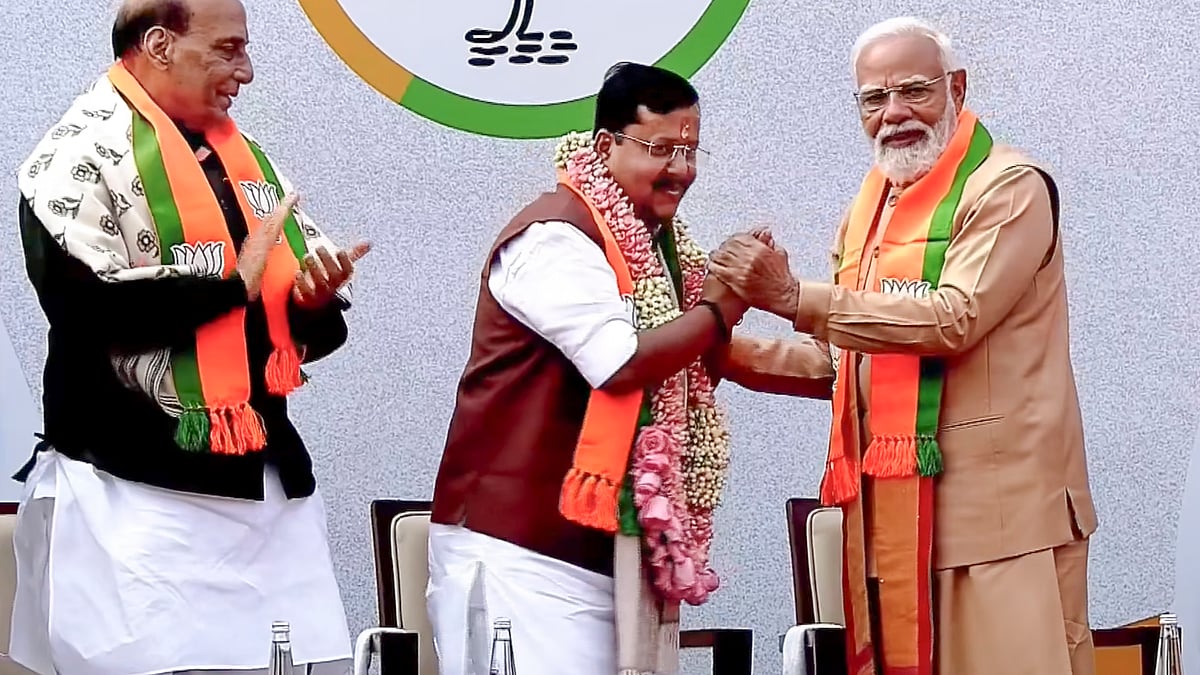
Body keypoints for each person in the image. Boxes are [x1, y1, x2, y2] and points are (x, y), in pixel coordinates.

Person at [708, 17, 1098, 675]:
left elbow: (953, 319)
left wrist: (793, 297)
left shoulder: (1009, 188)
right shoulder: (871, 208)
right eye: (873, 99)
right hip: (892, 526)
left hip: (1000, 530)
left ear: (957, 87)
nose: (894, 115)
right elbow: (849, 362)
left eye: (914, 91)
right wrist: (725, 353)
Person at [10, 0, 371, 673]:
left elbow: (292, 336)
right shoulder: (72, 158)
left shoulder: (247, 163)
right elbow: (88, 314)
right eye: (229, 49)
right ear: (159, 43)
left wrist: (311, 305)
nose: (248, 71)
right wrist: (230, 287)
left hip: (263, 490)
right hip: (131, 492)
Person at [426, 63, 749, 675]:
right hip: (521, 552)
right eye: (660, 149)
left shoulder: (658, 252)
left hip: (608, 555)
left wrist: (834, 353)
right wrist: (720, 307)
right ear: (606, 146)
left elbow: (698, 354)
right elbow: (620, 361)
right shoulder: (553, 238)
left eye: (690, 151)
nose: (680, 169)